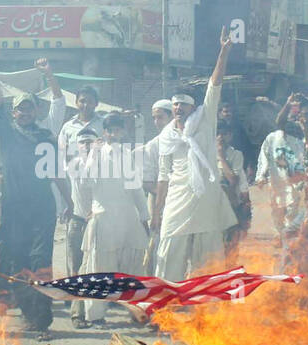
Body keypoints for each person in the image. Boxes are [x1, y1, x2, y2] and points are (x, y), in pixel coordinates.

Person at [0, 49, 72, 341]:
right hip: (13, 209)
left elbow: (56, 173)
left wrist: (69, 200)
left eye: (29, 108)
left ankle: (41, 320)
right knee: (16, 260)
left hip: (41, 209)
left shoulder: (46, 136)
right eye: (19, 109)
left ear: (36, 111)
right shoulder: (7, 133)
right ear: (14, 113)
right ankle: (25, 314)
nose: (24, 112)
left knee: (40, 262)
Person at [153, 29, 238, 281]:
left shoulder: (205, 119)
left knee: (207, 260)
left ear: (193, 107)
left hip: (205, 199)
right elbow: (162, 175)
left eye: (184, 104)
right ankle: (165, 307)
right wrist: (157, 211)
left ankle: (205, 311)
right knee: (169, 255)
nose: (179, 108)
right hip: (177, 199)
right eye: (175, 104)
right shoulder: (166, 136)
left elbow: (214, 86)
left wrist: (223, 52)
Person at [80, 114, 149, 327]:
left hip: (128, 218)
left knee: (133, 267)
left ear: (123, 131)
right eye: (110, 130)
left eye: (118, 129)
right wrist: (87, 211)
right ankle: (96, 315)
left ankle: (136, 311)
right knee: (101, 268)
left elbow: (136, 189)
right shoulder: (96, 154)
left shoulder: (128, 154)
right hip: (105, 217)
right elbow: (85, 182)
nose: (114, 134)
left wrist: (144, 216)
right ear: (105, 132)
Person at [256, 94, 308, 244]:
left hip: (294, 181)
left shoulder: (301, 138)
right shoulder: (272, 138)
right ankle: (280, 232)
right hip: (276, 180)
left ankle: (287, 235)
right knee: (277, 210)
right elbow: (264, 156)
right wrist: (261, 175)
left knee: (292, 210)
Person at [64, 126, 99, 328]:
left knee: (94, 268)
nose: (86, 145)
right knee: (75, 270)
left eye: (90, 141)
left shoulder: (105, 166)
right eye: (83, 142)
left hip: (97, 222)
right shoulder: (73, 165)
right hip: (77, 222)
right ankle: (77, 314)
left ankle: (93, 311)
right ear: (77, 146)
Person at [139, 99, 172, 270]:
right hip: (158, 202)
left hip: (183, 200)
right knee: (156, 246)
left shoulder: (186, 140)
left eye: (160, 117)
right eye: (154, 118)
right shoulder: (153, 146)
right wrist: (165, 196)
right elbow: (147, 181)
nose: (157, 122)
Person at [216, 120, 251, 253]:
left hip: (231, 204)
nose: (220, 137)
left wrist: (221, 157)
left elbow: (232, 180)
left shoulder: (236, 155)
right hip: (211, 205)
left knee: (230, 244)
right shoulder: (206, 153)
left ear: (230, 136)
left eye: (224, 134)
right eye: (217, 134)